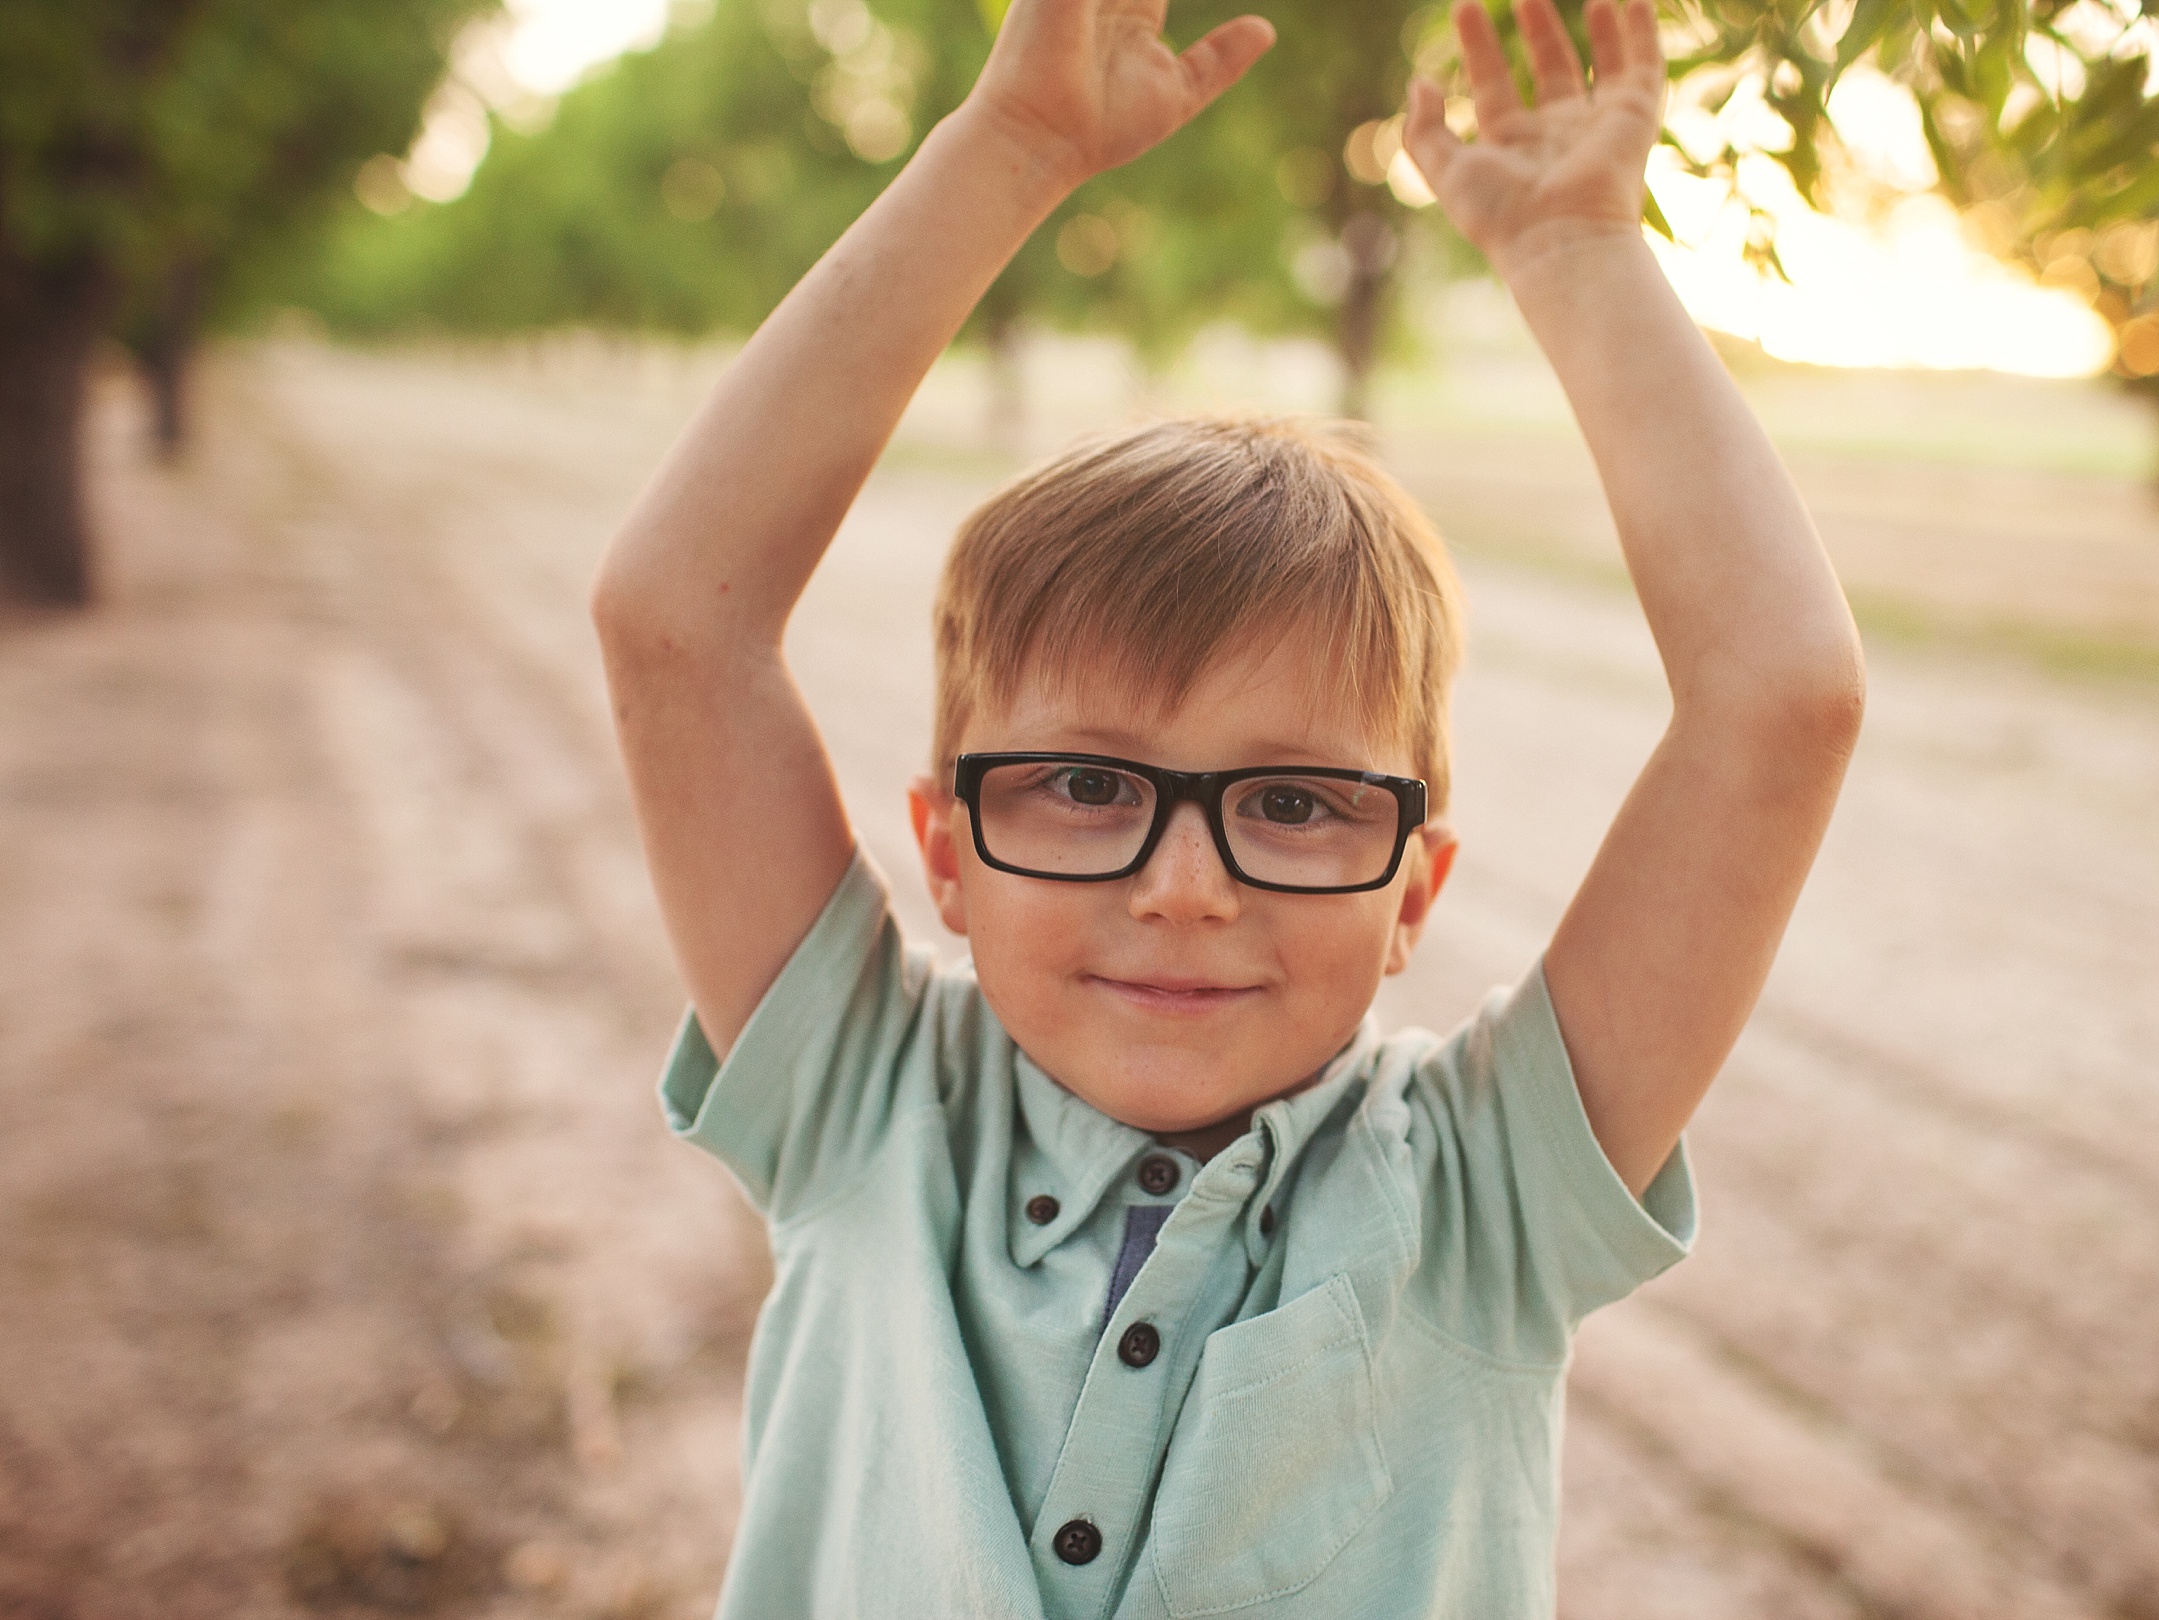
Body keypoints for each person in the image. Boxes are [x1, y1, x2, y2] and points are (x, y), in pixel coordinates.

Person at [589, 0, 1864, 1611]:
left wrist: (1575, 255)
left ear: (1413, 889)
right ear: (946, 857)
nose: (1185, 888)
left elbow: (1779, 702)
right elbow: (674, 623)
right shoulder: (859, 1100)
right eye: (1079, 784)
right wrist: (1007, 153)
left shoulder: (1482, 1192)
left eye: (1297, 803)